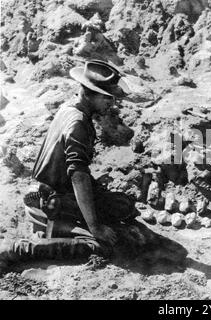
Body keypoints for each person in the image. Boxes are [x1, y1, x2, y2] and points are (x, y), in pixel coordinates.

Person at [0, 60, 138, 273]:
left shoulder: (72, 109)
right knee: (100, 245)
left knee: (124, 206)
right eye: (106, 97)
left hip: (56, 188)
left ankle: (61, 221)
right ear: (89, 93)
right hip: (58, 195)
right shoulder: (78, 124)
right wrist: (96, 227)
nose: (112, 103)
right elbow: (78, 176)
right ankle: (19, 249)